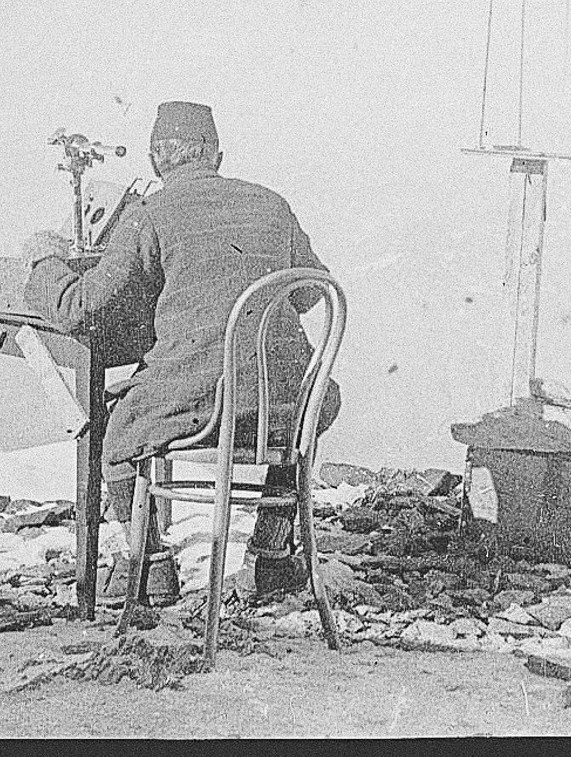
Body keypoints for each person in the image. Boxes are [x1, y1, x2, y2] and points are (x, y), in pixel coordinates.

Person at [19, 100, 341, 601]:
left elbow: (80, 308)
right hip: (287, 409)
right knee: (295, 414)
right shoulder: (272, 204)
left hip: (205, 408)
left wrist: (44, 263)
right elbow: (307, 293)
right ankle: (274, 555)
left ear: (155, 162)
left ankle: (152, 568)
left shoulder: (150, 213)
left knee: (118, 437)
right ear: (217, 155)